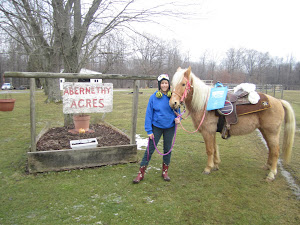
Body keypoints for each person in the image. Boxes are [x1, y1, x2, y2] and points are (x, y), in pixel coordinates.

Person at [133, 74, 180, 184]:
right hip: (156, 128)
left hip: (170, 127)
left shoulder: (172, 96)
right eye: (162, 83)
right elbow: (149, 114)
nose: (164, 85)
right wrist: (149, 130)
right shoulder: (154, 97)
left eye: (166, 83)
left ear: (169, 85)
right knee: (150, 150)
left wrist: (178, 119)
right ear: (159, 85)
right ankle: (141, 173)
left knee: (167, 150)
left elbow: (178, 111)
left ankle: (165, 172)